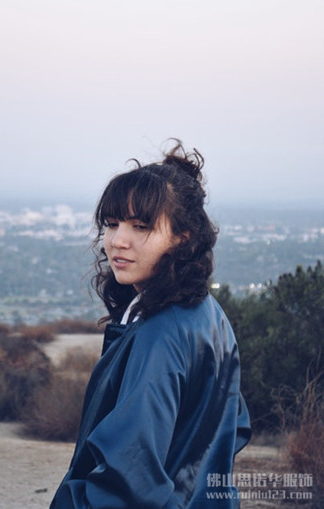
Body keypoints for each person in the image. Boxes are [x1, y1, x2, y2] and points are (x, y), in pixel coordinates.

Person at [49, 140, 251, 508]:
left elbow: (128, 481)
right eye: (112, 224)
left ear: (182, 237)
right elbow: (231, 428)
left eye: (140, 227)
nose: (118, 241)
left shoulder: (159, 334)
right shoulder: (210, 314)